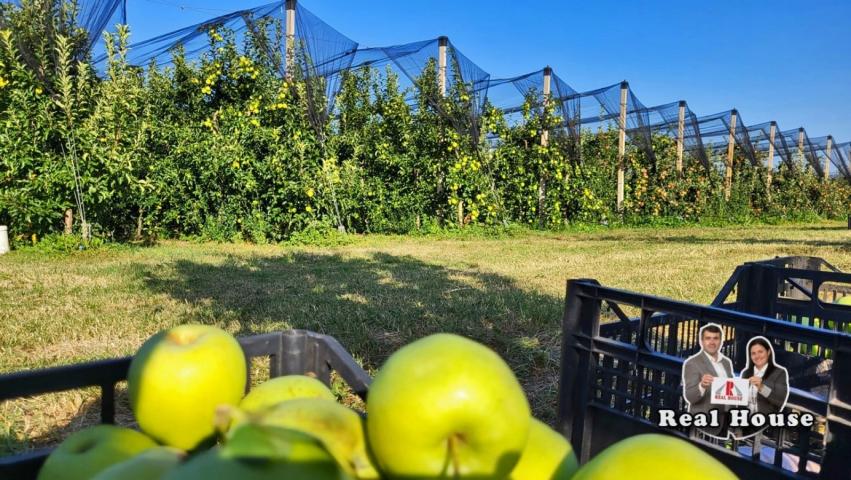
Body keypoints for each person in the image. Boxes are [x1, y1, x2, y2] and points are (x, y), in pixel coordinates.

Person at [682, 323, 734, 438]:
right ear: (701, 341)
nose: (712, 342)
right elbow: (690, 396)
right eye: (708, 338)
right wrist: (702, 386)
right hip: (704, 424)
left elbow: (730, 391)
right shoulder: (692, 363)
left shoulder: (726, 362)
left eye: (715, 338)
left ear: (721, 341)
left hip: (724, 422)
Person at [737, 336, 789, 438]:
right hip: (746, 424)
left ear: (768, 352)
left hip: (766, 427)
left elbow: (780, 400)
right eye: (753, 353)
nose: (757, 356)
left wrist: (761, 387)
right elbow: (740, 401)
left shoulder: (779, 373)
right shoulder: (746, 373)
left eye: (760, 352)